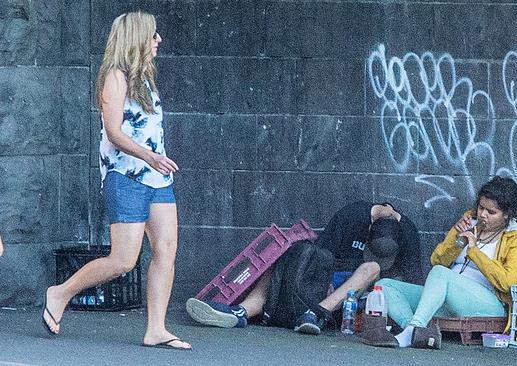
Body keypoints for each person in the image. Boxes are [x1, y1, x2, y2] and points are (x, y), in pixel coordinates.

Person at [41, 11, 191, 350]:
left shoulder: (145, 78)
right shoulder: (115, 76)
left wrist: (155, 161)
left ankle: (156, 328)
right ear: (137, 37)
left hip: (157, 178)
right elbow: (113, 132)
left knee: (166, 249)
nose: (159, 40)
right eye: (153, 35)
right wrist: (149, 156)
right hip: (126, 176)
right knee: (123, 260)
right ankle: (60, 292)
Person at [186, 201, 423, 335]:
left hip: (356, 290)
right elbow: (321, 253)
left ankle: (316, 315)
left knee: (372, 267)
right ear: (370, 227)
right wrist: (326, 281)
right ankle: (242, 312)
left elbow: (412, 279)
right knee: (284, 251)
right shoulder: (352, 215)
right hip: (326, 274)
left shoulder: (408, 233)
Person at [373, 176, 517, 349]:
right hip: (448, 298)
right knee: (384, 286)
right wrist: (457, 238)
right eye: (480, 207)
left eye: (491, 212)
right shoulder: (470, 221)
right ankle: (414, 332)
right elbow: (436, 260)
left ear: (507, 215)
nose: (482, 215)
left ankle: (413, 328)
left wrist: (474, 252)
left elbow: (509, 282)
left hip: (488, 304)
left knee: (441, 273)